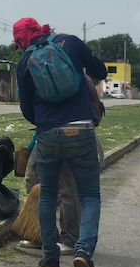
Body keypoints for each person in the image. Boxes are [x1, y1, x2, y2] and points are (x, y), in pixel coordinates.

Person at [14, 17, 107, 267]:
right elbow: (99, 71)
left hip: (48, 135)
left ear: (21, 40)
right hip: (81, 130)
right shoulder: (70, 42)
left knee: (47, 195)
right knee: (89, 195)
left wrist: (45, 120)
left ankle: (51, 260)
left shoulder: (25, 61)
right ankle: (83, 252)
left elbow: (27, 110)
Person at [21, 77, 105, 254]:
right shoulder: (39, 70)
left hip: (74, 135)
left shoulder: (78, 76)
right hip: (46, 135)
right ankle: (42, 235)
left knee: (67, 189)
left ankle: (70, 238)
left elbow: (95, 107)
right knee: (32, 180)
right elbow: (28, 107)